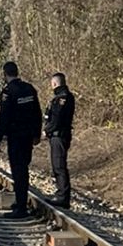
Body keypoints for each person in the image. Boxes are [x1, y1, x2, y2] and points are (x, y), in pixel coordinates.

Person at [0, 61, 44, 216]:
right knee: (24, 168)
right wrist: (37, 134)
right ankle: (20, 201)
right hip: (28, 136)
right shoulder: (29, 89)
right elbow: (37, 113)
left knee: (18, 171)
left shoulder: (8, 92)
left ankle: (21, 207)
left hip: (15, 137)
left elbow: (4, 118)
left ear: (5, 74)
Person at [44, 71, 77, 206]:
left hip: (59, 136)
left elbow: (57, 119)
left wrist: (46, 131)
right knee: (57, 165)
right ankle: (61, 194)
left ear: (54, 83)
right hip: (60, 135)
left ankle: (62, 196)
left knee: (59, 166)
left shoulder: (62, 98)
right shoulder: (64, 97)